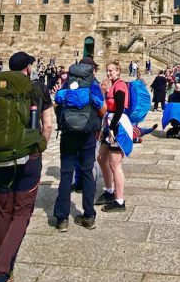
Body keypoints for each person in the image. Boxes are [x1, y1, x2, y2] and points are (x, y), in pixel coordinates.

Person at [0, 51, 53, 282]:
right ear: (29, 68)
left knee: (3, 211)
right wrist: (41, 145)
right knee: (22, 213)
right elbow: (47, 125)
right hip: (29, 156)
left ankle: (5, 264)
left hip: (0, 156)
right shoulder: (37, 88)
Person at [53, 57, 104, 232]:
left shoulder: (69, 82)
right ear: (91, 70)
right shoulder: (93, 84)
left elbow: (57, 103)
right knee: (87, 172)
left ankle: (61, 219)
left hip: (68, 133)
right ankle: (89, 216)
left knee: (66, 173)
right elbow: (103, 109)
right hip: (87, 134)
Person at [96, 60, 130, 212]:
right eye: (107, 70)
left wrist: (113, 127)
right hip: (108, 124)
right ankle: (110, 191)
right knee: (101, 158)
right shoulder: (111, 85)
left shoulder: (120, 85)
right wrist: (103, 92)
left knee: (115, 164)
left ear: (118, 71)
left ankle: (119, 200)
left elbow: (120, 107)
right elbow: (106, 107)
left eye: (111, 70)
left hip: (117, 125)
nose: (108, 73)